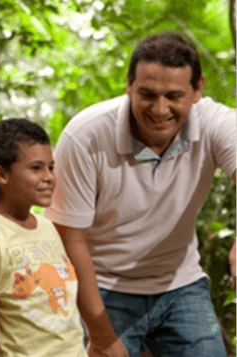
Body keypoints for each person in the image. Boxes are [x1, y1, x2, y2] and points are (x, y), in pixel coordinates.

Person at [44, 31, 236, 357]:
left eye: (174, 95)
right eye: (147, 94)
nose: (160, 110)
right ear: (129, 84)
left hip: (180, 283)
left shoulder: (215, 122)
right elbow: (69, 240)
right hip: (102, 284)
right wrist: (101, 335)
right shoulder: (84, 136)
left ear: (197, 89)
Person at [0, 118, 87, 357]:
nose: (49, 177)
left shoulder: (48, 228)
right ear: (0, 174)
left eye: (51, 167)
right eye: (36, 168)